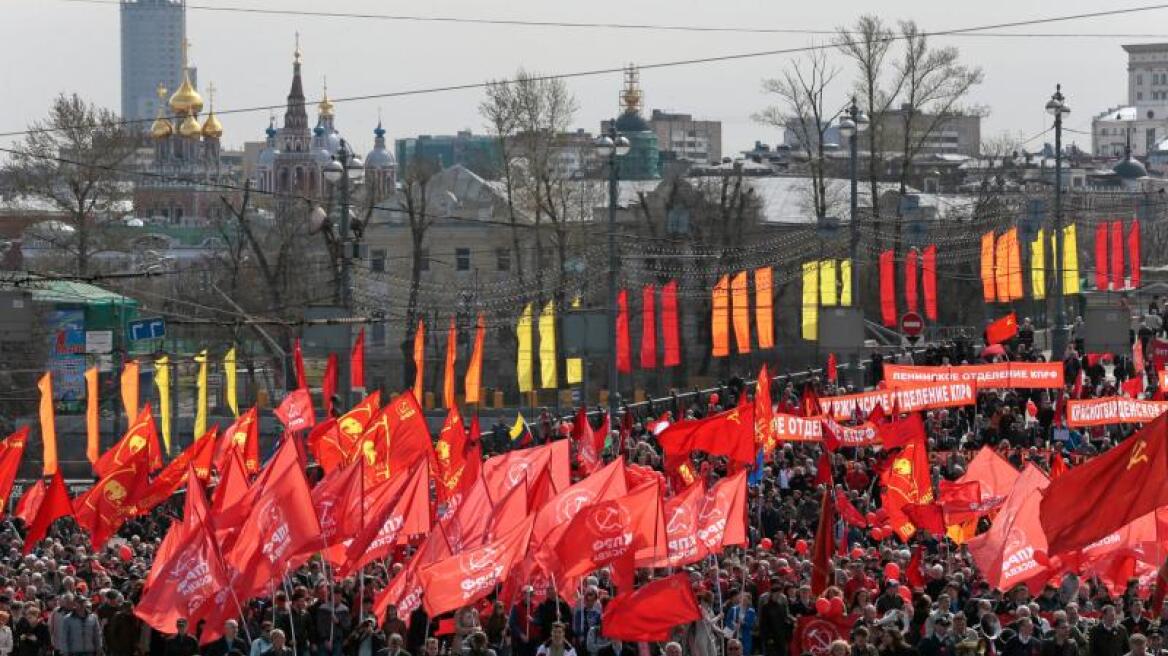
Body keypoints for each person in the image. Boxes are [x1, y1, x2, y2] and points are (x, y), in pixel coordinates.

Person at [725, 592, 757, 656]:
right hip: (734, 636)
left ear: (749, 601)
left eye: (745, 600)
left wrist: (743, 623)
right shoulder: (733, 609)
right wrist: (734, 626)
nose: (743, 601)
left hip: (746, 637)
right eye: (742, 599)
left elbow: (752, 625)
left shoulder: (751, 611)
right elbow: (727, 621)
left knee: (746, 653)